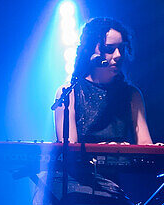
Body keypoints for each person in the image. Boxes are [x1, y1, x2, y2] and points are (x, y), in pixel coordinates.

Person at [53, 17, 153, 145]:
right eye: (109, 49)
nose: (118, 55)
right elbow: (70, 149)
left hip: (124, 164)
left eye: (121, 49)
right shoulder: (68, 93)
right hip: (85, 165)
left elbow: (145, 142)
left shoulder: (132, 94)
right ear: (89, 50)